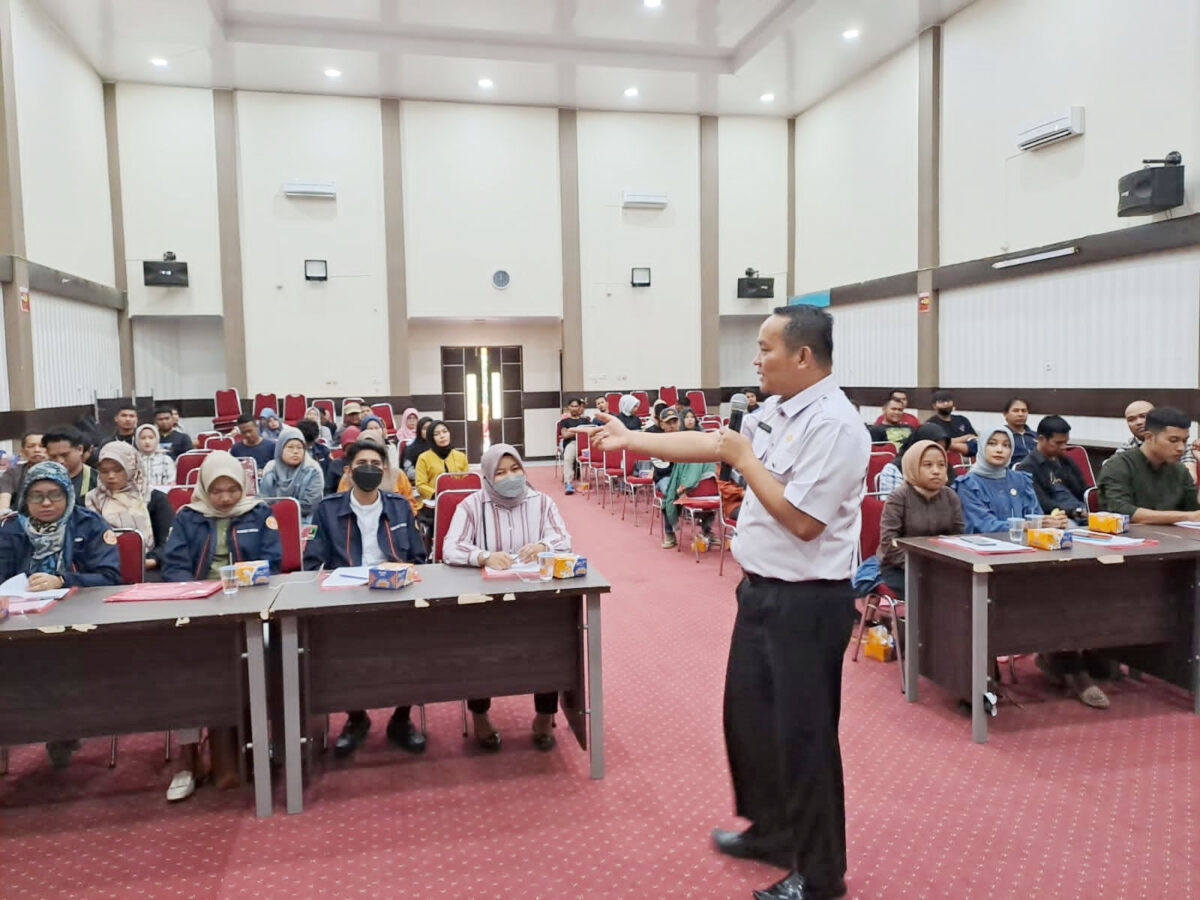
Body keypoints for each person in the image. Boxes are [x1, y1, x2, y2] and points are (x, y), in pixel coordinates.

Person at [584, 304, 867, 900]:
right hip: (760, 592)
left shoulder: (835, 426)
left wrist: (745, 459)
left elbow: (803, 521)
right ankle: (772, 832)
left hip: (808, 603)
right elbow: (714, 443)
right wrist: (633, 439)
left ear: (803, 356)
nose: (756, 359)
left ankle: (821, 874)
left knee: (805, 736)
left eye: (765, 348)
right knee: (751, 721)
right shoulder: (779, 409)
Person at [161, 452, 281, 801]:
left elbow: (274, 562)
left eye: (232, 490)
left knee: (274, 655)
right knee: (185, 670)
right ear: (204, 489)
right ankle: (188, 758)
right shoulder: (188, 517)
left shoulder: (259, 513)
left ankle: (265, 742)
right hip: (200, 607)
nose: (226, 498)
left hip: (251, 605)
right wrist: (197, 592)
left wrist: (245, 581)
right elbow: (174, 566)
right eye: (217, 491)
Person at [442, 443, 571, 751]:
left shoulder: (542, 502)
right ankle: (480, 716)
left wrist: (543, 546)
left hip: (535, 598)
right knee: (479, 647)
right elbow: (451, 547)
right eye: (500, 473)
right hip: (486, 602)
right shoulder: (472, 506)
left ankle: (544, 716)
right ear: (487, 476)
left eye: (515, 469)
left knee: (551, 642)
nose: (510, 477)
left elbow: (563, 539)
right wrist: (483, 556)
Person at [304, 439, 427, 757]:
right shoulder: (328, 509)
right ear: (348, 471)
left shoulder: (399, 505)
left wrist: (405, 572)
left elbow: (418, 555)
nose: (369, 470)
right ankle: (356, 718)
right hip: (346, 598)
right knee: (336, 651)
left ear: (385, 469)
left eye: (375, 464)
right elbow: (312, 561)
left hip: (395, 594)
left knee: (413, 647)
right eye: (361, 464)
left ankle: (402, 718)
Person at [0, 460, 122, 769]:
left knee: (62, 662)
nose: (46, 503)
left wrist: (63, 580)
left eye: (54, 495)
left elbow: (110, 577)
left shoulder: (89, 524)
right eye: (36, 496)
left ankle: (62, 729)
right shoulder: (10, 529)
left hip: (79, 617)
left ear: (67, 494)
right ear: (24, 497)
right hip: (18, 620)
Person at [875, 439, 964, 596]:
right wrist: (922, 566)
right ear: (913, 467)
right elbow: (889, 544)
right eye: (928, 465)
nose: (936, 471)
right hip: (901, 566)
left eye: (941, 465)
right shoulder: (899, 497)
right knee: (929, 591)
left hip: (941, 565)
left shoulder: (951, 496)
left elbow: (958, 538)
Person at [1098, 407, 1200, 524]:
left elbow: (1195, 509)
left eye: (1184, 441)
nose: (1181, 448)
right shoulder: (1119, 465)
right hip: (1128, 533)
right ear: (1149, 437)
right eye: (1173, 440)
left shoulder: (1180, 469)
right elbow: (1121, 510)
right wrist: (1188, 517)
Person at [85, 441, 174, 574]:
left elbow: (167, 540)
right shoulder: (91, 500)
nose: (111, 476)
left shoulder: (153, 498)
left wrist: (152, 560)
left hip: (149, 567)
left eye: (118, 470)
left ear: (131, 468)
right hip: (103, 568)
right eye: (104, 471)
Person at [955, 427, 1065, 533]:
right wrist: (1024, 525)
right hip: (985, 542)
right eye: (992, 444)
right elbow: (983, 525)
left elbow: (1034, 514)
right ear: (981, 447)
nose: (999, 450)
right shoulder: (968, 484)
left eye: (1006, 445)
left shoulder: (1021, 479)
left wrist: (1050, 521)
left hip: (1024, 542)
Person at [1015, 416, 1088, 523]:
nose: (1063, 447)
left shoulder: (1066, 461)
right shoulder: (1027, 467)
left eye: (1065, 442)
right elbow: (1042, 503)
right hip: (1057, 518)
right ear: (1041, 439)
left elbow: (1083, 490)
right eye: (1058, 443)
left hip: (1081, 512)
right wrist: (1074, 512)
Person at [336, 435, 421, 516]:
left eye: (375, 463)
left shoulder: (400, 502)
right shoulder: (331, 509)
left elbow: (411, 507)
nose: (369, 468)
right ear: (349, 470)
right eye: (362, 462)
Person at [258, 426, 325, 525]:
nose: (295, 451)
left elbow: (308, 506)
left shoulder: (313, 470)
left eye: (300, 447)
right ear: (280, 449)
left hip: (305, 520)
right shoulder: (271, 468)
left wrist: (282, 511)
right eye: (290, 447)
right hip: (273, 520)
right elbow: (264, 502)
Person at [874, 424, 952, 495]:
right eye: (932, 448)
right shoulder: (894, 469)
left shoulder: (946, 469)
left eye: (942, 449)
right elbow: (890, 503)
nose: (937, 453)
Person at [660, 458, 717, 550]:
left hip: (695, 495)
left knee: (670, 496)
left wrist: (683, 488)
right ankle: (706, 531)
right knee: (669, 494)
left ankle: (670, 534)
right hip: (713, 497)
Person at [415, 421, 469, 504]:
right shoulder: (423, 458)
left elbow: (466, 481)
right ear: (431, 438)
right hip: (434, 501)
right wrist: (438, 495)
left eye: (445, 431)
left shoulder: (461, 456)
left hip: (459, 500)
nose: (442, 436)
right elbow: (420, 485)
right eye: (436, 434)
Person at [42, 427, 98, 499]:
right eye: (53, 456)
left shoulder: (98, 480)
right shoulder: (41, 479)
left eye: (65, 455)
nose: (60, 461)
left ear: (80, 449)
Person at [0, 431, 46, 510]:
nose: (37, 450)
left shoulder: (61, 471)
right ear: (23, 452)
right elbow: (4, 500)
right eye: (30, 446)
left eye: (42, 446)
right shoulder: (13, 472)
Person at [925, 389, 977, 457]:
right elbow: (939, 444)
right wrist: (966, 437)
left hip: (968, 459)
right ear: (934, 406)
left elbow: (975, 439)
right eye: (941, 402)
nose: (946, 404)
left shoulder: (962, 420)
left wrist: (951, 443)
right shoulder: (930, 424)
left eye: (948, 401)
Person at [558, 398, 592, 495]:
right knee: (568, 458)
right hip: (572, 443)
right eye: (572, 406)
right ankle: (568, 483)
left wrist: (572, 430)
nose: (574, 408)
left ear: (579, 407)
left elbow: (592, 432)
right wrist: (581, 430)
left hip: (586, 445)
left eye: (576, 406)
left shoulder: (585, 420)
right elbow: (565, 435)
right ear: (568, 407)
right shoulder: (565, 421)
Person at [136, 423, 175, 487]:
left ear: (157, 439)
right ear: (137, 440)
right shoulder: (133, 460)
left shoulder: (166, 460)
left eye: (151, 438)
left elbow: (171, 483)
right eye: (143, 438)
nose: (147, 441)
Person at [1003, 398, 1036, 466]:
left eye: (1024, 411)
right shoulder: (1001, 435)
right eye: (1016, 411)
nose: (1020, 414)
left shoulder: (1037, 436)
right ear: (1005, 414)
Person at [402, 416, 434, 480]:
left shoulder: (438, 446)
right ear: (419, 431)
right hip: (420, 481)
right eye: (425, 429)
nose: (428, 431)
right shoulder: (411, 448)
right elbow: (409, 472)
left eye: (431, 428)